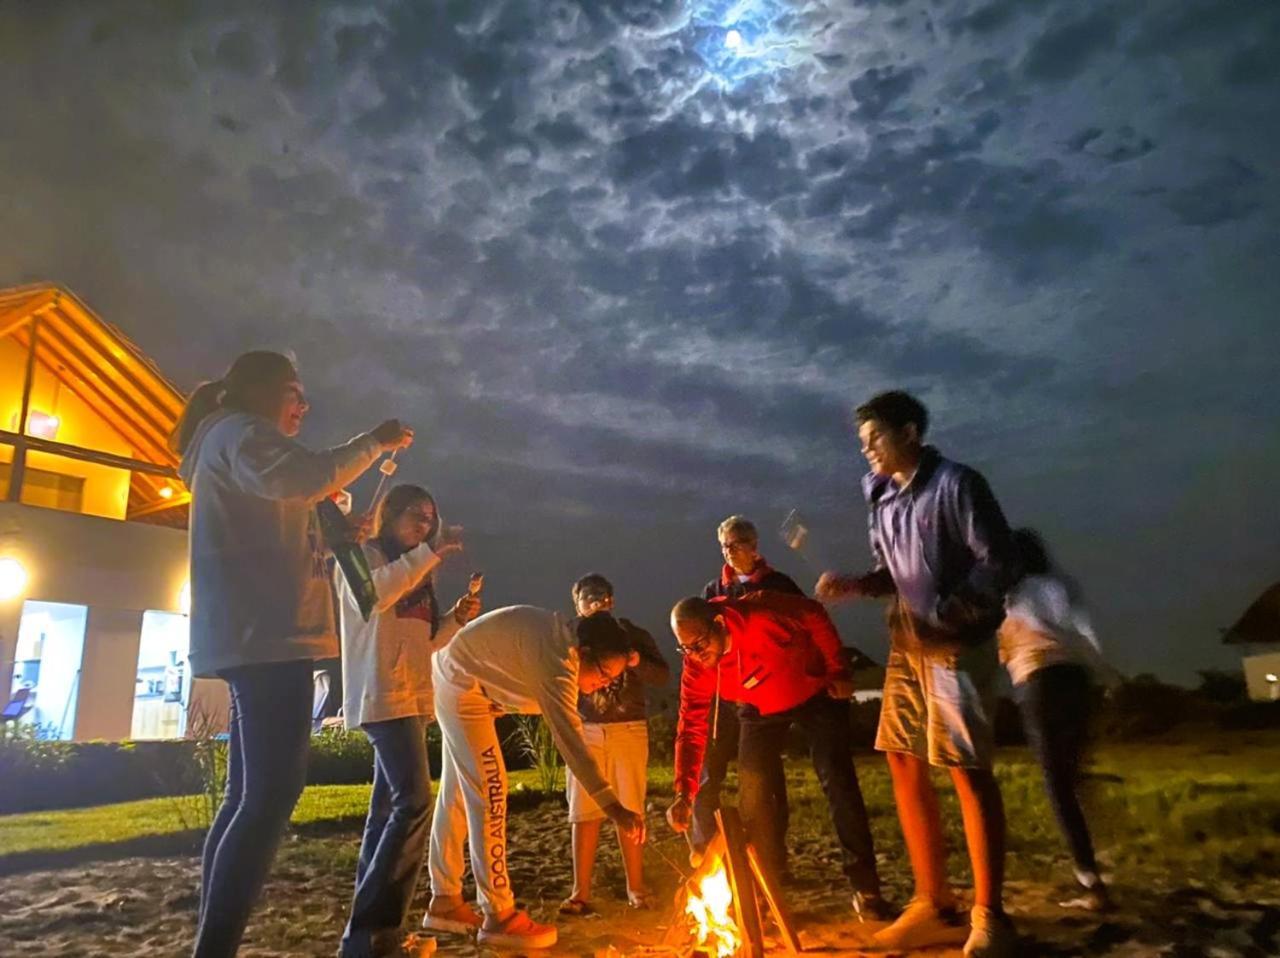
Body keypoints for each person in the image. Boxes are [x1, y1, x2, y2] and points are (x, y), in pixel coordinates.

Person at [173, 350, 413, 958]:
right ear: (256, 390)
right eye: (293, 391)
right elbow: (307, 476)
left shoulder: (234, 442)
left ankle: (214, 940)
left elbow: (292, 502)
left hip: (261, 634)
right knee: (273, 792)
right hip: (264, 635)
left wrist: (334, 534)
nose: (302, 405)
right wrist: (374, 441)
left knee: (248, 797)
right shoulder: (240, 435)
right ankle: (215, 946)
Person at [816, 390, 1020, 957]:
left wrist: (952, 614)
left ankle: (990, 916)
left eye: (875, 438)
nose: (868, 452)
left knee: (965, 767)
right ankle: (934, 903)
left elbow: (999, 561)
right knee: (902, 757)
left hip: (956, 645)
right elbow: (893, 571)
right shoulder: (880, 496)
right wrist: (857, 584)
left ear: (910, 432)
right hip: (907, 644)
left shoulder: (956, 484)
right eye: (862, 444)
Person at [424, 606, 647, 949]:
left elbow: (508, 665)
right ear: (585, 652)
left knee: (455, 794)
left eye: (611, 679)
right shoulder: (559, 663)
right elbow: (571, 743)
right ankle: (498, 914)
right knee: (491, 792)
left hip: (461, 678)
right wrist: (613, 807)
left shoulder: (560, 644)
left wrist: (497, 695)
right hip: (460, 682)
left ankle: (445, 901)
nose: (603, 683)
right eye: (603, 673)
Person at [665, 592, 889, 919]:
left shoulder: (763, 612)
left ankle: (866, 889)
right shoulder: (698, 665)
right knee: (753, 795)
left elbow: (813, 613)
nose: (696, 656)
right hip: (758, 709)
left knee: (838, 781)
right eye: (686, 649)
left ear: (718, 623)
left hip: (812, 692)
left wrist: (837, 668)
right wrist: (684, 792)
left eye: (699, 644)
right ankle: (761, 894)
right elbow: (691, 726)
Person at [336, 485, 483, 958]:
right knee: (415, 802)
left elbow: (425, 641)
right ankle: (376, 931)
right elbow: (376, 597)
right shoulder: (364, 556)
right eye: (416, 515)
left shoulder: (417, 571)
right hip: (381, 693)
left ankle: (366, 937)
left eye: (431, 517)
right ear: (390, 514)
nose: (425, 524)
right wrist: (429, 553)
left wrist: (455, 619)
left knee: (387, 814)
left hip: (411, 697)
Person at [1001, 528, 1116, 912]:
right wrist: (1105, 672)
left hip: (1039, 683)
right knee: (1076, 773)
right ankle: (1102, 859)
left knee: (1058, 784)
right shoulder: (1057, 584)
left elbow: (1000, 649)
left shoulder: (1009, 597)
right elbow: (1087, 629)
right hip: (1076, 679)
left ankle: (1090, 878)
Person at [691, 516, 803, 863]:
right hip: (724, 698)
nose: (730, 551)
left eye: (736, 543)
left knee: (763, 777)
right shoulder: (713, 592)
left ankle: (770, 857)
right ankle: (705, 854)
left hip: (764, 700)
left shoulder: (779, 585)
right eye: (724, 545)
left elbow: (800, 629)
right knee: (708, 771)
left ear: (754, 546)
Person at [560, 574, 670, 916]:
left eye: (602, 596)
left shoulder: (630, 634)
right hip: (586, 727)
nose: (597, 601)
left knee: (630, 806)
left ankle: (635, 887)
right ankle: (581, 892)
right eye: (589, 597)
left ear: (612, 599)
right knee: (584, 809)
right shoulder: (570, 634)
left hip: (629, 727)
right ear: (577, 603)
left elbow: (663, 675)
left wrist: (637, 662)